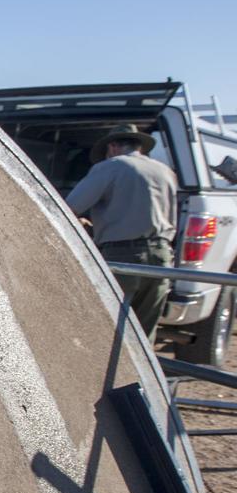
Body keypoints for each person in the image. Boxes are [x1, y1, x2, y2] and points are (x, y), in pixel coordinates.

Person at [66, 124, 178, 340]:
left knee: (108, 328)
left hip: (123, 256)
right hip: (162, 257)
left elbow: (69, 208)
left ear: (113, 146)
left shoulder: (111, 167)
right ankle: (142, 374)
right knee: (143, 336)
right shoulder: (164, 171)